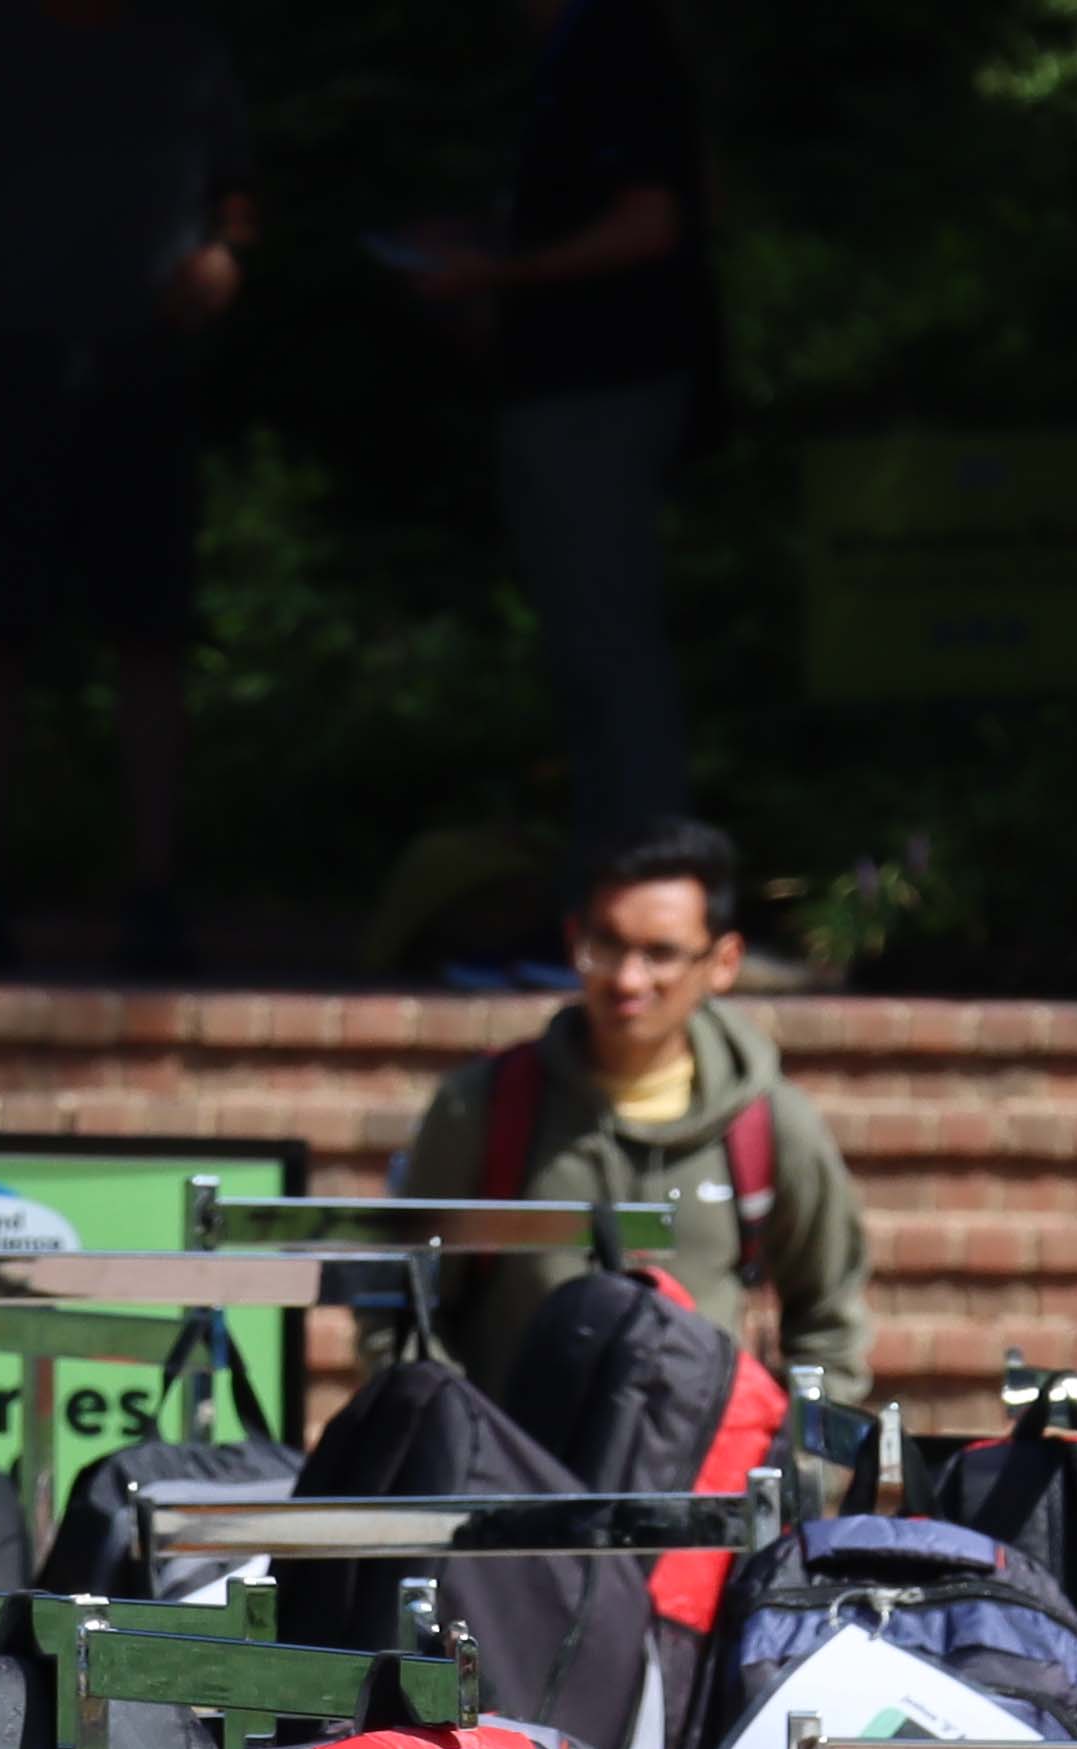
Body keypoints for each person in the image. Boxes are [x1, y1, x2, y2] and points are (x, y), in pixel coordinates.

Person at [0, 0, 253, 974]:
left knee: (150, 635)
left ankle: (156, 894)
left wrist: (225, 256)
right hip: (2, 361)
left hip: (143, 369)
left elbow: (239, 191)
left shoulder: (183, 48)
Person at [385, 0, 717, 857]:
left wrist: (498, 268)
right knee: (587, 654)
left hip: (603, 390)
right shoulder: (569, 56)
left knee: (611, 649)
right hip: (561, 390)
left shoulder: (616, 43)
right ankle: (617, 889)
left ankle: (647, 890)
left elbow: (653, 222)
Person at [385, 819, 873, 1401]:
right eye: (607, 945)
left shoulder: (768, 1123)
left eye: (661, 954)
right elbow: (403, 1304)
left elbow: (831, 1324)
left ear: (722, 962)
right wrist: (456, 1452)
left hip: (703, 1482)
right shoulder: (484, 1107)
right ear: (573, 942)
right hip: (508, 1475)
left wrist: (786, 1468)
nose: (627, 978)